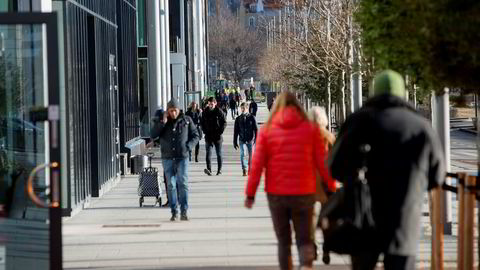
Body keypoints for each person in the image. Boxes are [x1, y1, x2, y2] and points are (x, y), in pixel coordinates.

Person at [328, 70, 446, 270]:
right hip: (404, 218)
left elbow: (336, 167)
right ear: (403, 93)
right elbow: (437, 176)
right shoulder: (421, 126)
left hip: (363, 217)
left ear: (374, 91)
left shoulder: (359, 120)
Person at [244, 92, 335, 270]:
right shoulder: (311, 130)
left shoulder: (267, 131)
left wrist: (250, 194)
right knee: (304, 238)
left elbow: (257, 166)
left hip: (277, 194)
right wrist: (331, 186)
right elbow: (322, 163)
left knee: (284, 241)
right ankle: (306, 266)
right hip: (304, 192)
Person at [150, 99, 200, 221]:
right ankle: (174, 211)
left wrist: (188, 146)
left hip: (182, 157)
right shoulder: (162, 121)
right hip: (167, 157)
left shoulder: (186, 120)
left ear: (179, 110)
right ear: (167, 111)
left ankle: (184, 210)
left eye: (175, 110)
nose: (173, 113)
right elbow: (153, 134)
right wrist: (162, 122)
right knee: (171, 185)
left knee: (182, 183)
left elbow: (196, 135)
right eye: (171, 111)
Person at [308, 106, 336, 264]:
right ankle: (326, 247)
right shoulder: (329, 137)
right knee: (327, 218)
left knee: (310, 218)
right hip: (326, 184)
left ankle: (313, 245)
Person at [201, 97, 227, 176]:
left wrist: (220, 132)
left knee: (218, 153)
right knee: (208, 153)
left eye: (212, 104)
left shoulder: (219, 111)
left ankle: (219, 170)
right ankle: (209, 170)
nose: (210, 105)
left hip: (217, 136)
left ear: (215, 103)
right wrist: (204, 131)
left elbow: (224, 123)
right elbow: (202, 123)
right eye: (209, 104)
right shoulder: (205, 112)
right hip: (208, 136)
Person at [233, 102, 258, 176]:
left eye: (244, 108)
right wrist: (234, 141)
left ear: (247, 108)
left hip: (250, 139)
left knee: (251, 155)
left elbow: (256, 129)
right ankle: (244, 169)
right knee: (242, 154)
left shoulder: (252, 117)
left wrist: (256, 139)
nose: (242, 109)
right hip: (242, 139)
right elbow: (236, 131)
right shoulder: (238, 119)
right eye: (241, 108)